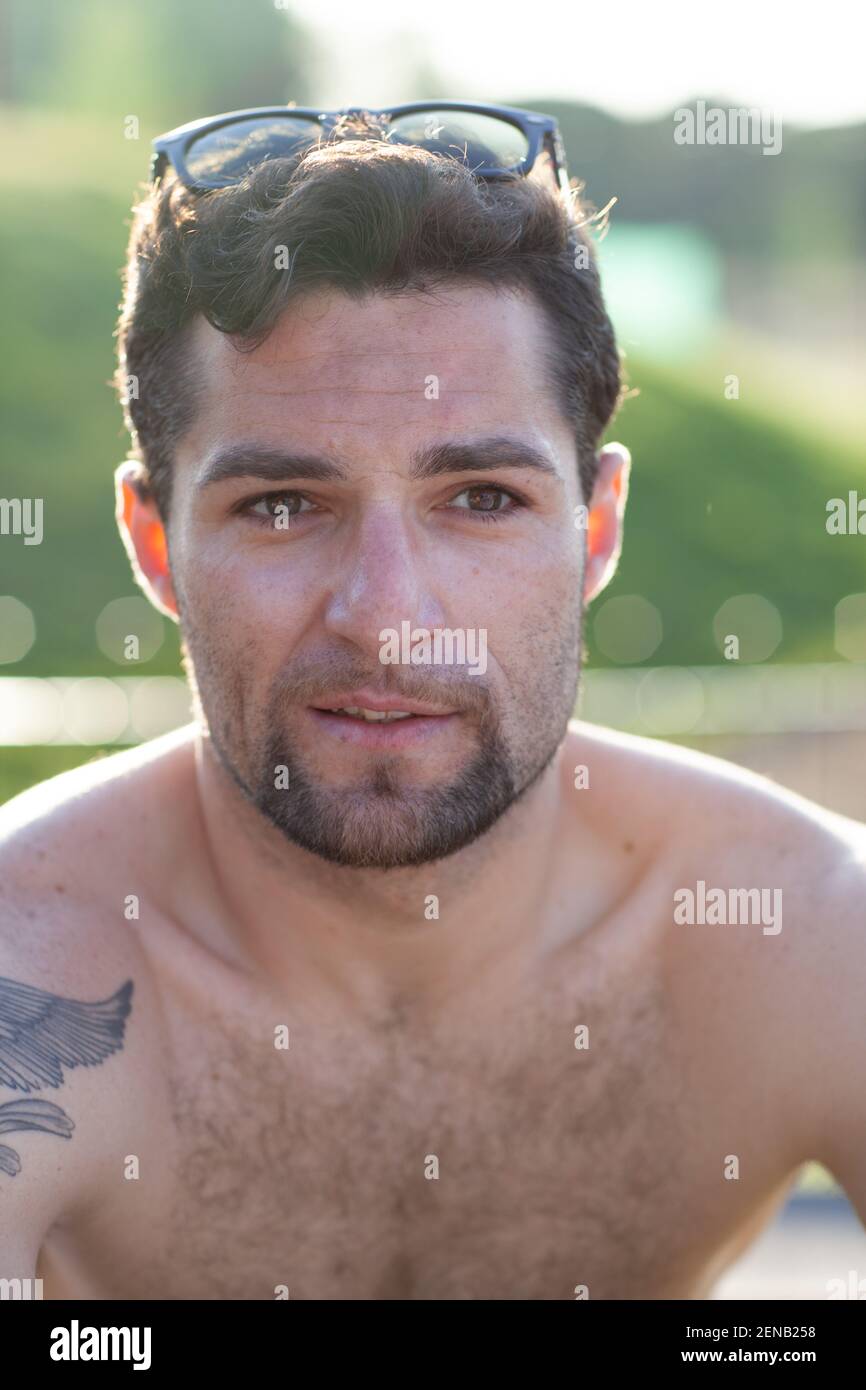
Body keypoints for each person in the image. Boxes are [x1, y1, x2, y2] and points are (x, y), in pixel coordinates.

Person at [1, 105, 864, 1301]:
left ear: (594, 524)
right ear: (152, 541)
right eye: (283, 506)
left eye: (480, 497)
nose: (384, 613)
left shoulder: (809, 930)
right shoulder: (23, 967)